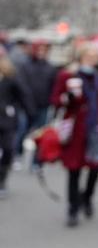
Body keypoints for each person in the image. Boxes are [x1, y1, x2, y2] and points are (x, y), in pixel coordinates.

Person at [50, 44, 98, 226]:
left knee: (96, 166)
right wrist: (67, 96)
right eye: (88, 55)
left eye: (95, 56)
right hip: (76, 127)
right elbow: (55, 99)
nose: (92, 59)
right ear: (80, 57)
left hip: (97, 126)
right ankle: (73, 208)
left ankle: (87, 197)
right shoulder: (68, 75)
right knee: (74, 169)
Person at [19, 41, 59, 169]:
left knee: (41, 135)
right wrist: (26, 103)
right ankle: (17, 154)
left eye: (44, 50)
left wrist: (53, 103)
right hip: (26, 105)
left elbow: (54, 87)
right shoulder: (25, 66)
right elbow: (22, 87)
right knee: (22, 131)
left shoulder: (50, 68)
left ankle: (36, 161)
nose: (41, 53)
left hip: (43, 105)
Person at [0, 52, 33, 198]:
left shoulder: (10, 78)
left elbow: (23, 95)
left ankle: (1, 180)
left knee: (8, 149)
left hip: (6, 120)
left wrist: (30, 113)